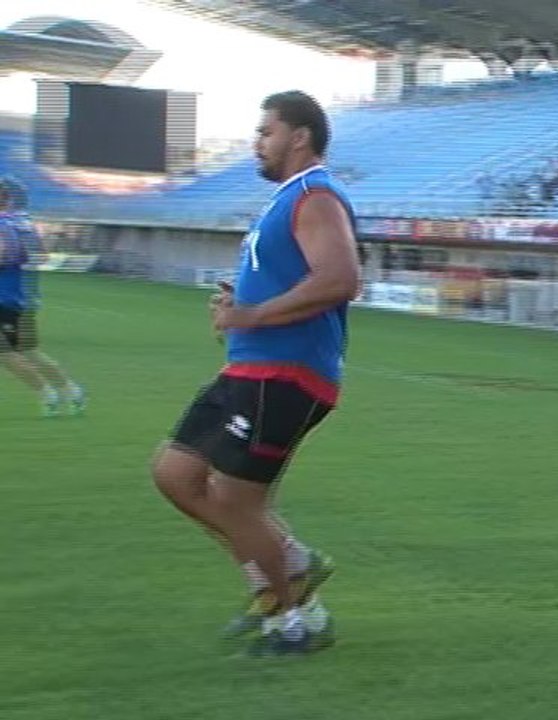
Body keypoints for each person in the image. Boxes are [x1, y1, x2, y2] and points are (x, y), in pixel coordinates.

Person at [150, 90, 360, 656]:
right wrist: (238, 304)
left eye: (266, 132)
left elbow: (340, 278)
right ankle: (289, 565)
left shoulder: (315, 194)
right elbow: (292, 279)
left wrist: (253, 314)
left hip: (285, 376)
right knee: (174, 474)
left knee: (238, 500)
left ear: (299, 137)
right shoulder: (287, 199)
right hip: (249, 368)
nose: (256, 143)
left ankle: (293, 621)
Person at [0, 176, 86, 417]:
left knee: (7, 354)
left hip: (5, 297)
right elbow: (42, 256)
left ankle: (47, 392)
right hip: (23, 297)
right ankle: (71, 390)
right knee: (29, 351)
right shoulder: (23, 222)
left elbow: (4, 255)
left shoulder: (3, 224)